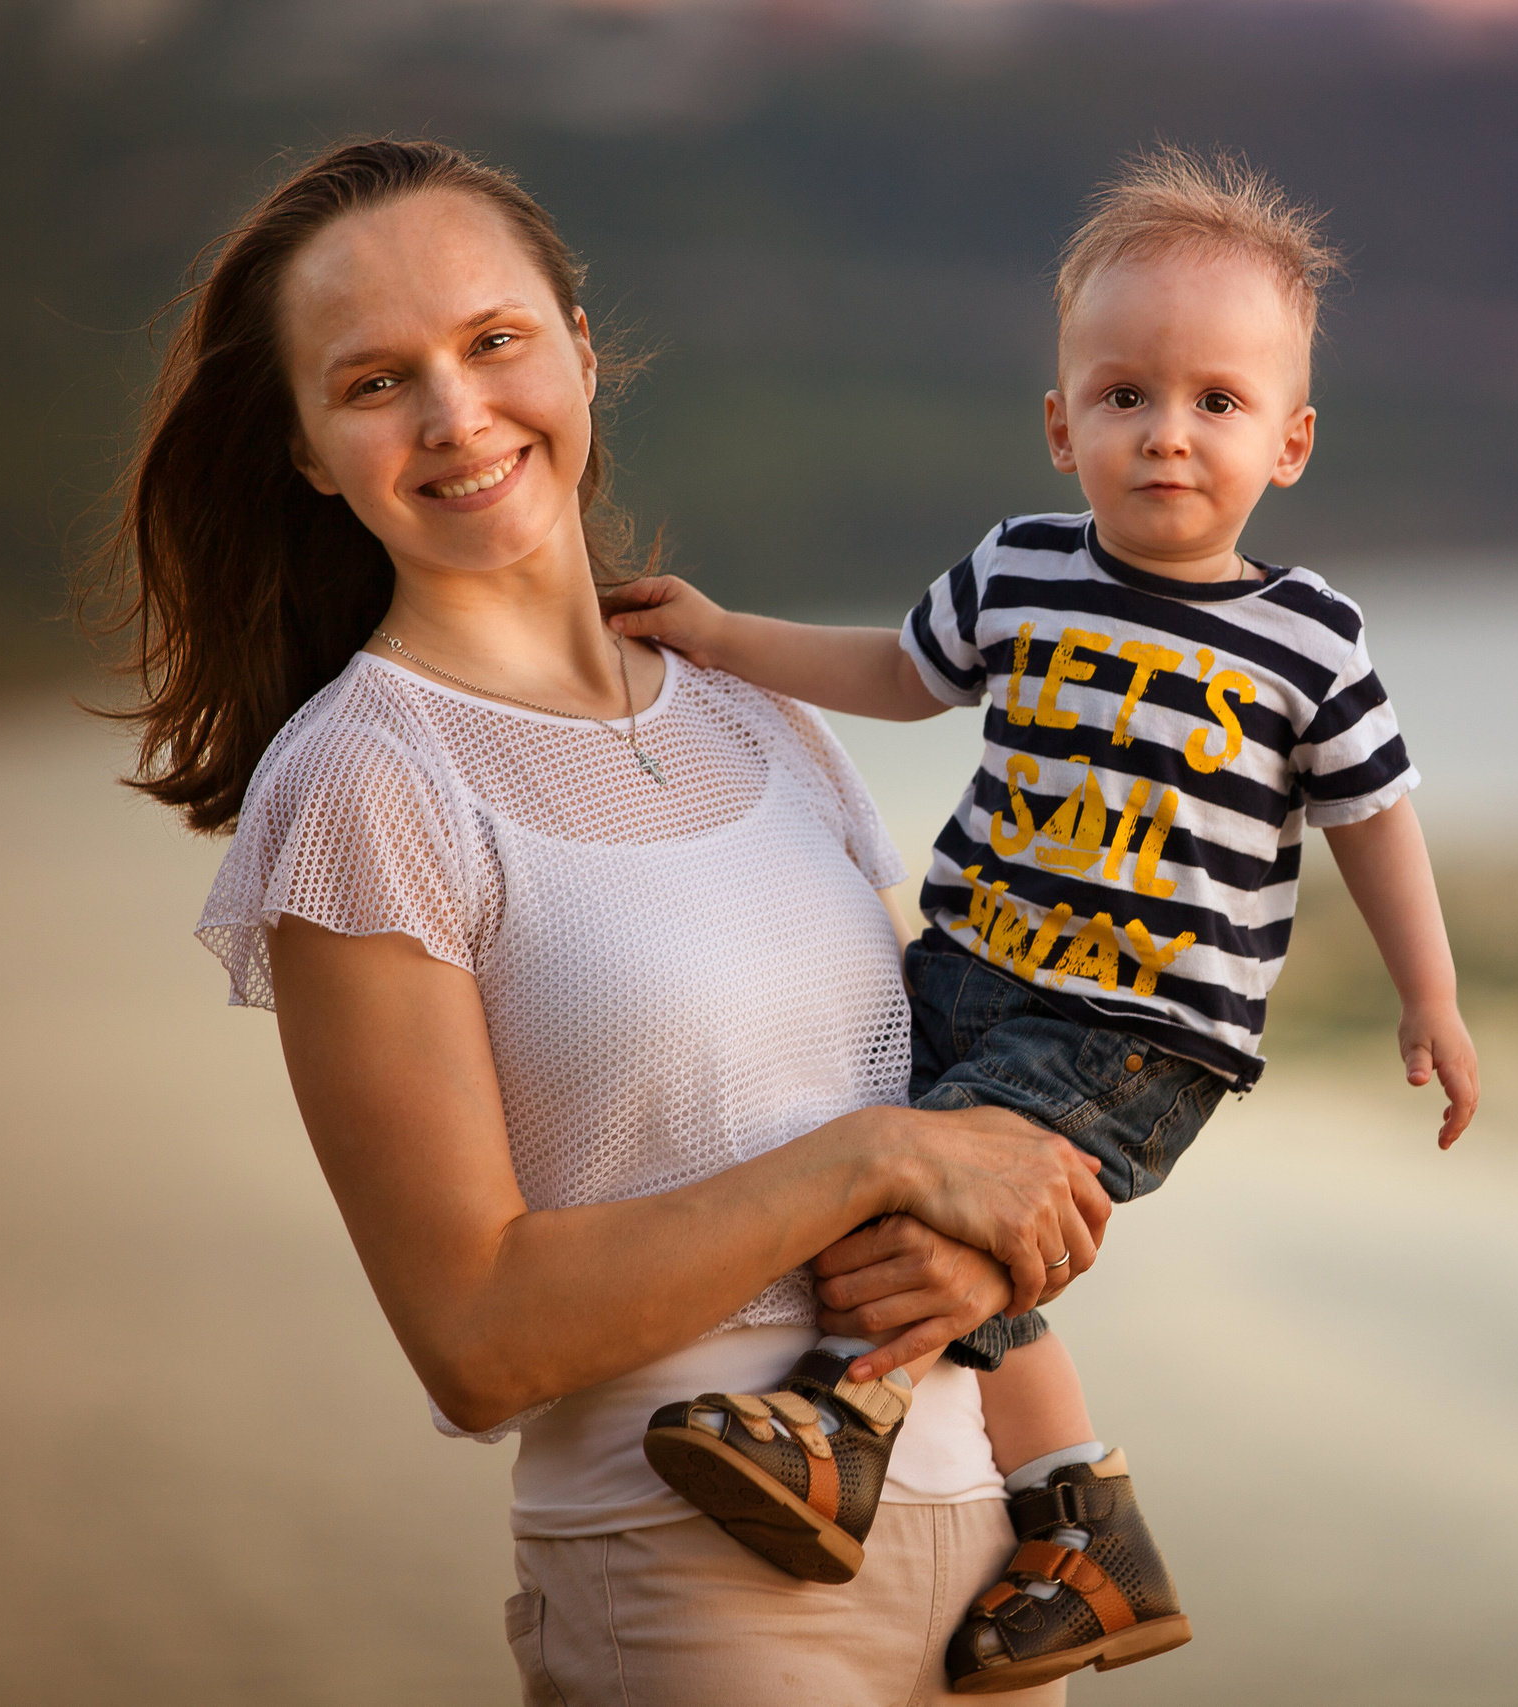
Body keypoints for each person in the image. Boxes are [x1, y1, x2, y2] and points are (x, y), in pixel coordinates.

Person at [82, 136, 1108, 1706]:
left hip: (983, 1560)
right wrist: (878, 1160)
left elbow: (941, 1126)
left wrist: (997, 1273)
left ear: (577, 341)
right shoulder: (368, 782)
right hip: (686, 1577)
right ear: (304, 448)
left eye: (493, 341)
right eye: (374, 383)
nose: (454, 416)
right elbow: (477, 1336)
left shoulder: (771, 723)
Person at [607, 146, 1482, 1694]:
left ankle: (834, 1429)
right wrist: (724, 640)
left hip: (1139, 1033)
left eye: (1217, 402)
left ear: (1290, 441)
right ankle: (1089, 1534)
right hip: (963, 973)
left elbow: (1373, 821)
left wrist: (1435, 996)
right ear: (1062, 420)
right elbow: (897, 675)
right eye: (1127, 395)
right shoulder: (1018, 569)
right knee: (888, 1173)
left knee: (923, 1208)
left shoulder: (1311, 640)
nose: (1167, 435)